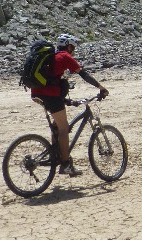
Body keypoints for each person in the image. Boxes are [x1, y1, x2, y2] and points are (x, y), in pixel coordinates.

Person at [31, 33, 109, 177]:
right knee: (64, 128)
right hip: (49, 95)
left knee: (56, 125)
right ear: (69, 46)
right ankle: (66, 164)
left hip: (36, 93)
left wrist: (66, 101)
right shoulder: (65, 57)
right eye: (73, 47)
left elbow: (52, 80)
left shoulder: (52, 56)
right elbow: (83, 74)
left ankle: (56, 154)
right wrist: (101, 87)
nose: (73, 51)